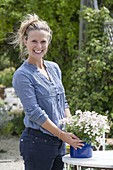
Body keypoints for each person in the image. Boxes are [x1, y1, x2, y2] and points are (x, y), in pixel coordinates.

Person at [12, 13, 84, 170]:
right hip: (37, 143)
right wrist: (62, 134)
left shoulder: (54, 67)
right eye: (34, 41)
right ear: (25, 41)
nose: (39, 46)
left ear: (48, 42)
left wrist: (72, 126)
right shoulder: (22, 75)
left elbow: (63, 101)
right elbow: (34, 112)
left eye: (43, 41)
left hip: (58, 142)